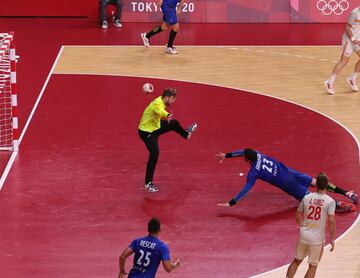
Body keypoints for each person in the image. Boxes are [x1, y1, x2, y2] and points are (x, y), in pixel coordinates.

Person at [216, 148, 358, 211]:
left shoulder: (253, 173)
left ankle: (337, 204)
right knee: (318, 183)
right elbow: (244, 151)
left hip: (287, 183)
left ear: (247, 160)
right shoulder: (259, 154)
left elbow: (247, 188)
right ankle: (348, 193)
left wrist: (232, 202)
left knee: (309, 200)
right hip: (291, 172)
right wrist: (227, 155)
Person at [138, 88, 197, 192]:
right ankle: (148, 183)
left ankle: (186, 134)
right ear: (168, 97)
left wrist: (168, 117)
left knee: (173, 123)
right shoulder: (157, 103)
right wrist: (167, 115)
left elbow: (160, 111)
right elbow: (160, 111)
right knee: (154, 153)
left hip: (155, 127)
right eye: (173, 99)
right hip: (146, 132)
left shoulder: (160, 101)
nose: (173, 101)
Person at [286, 173, 336, 278]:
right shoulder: (330, 201)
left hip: (304, 236)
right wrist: (332, 238)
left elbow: (297, 214)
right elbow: (331, 220)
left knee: (296, 261)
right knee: (313, 266)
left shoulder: (307, 198)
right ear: (327, 185)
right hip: (317, 239)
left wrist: (302, 226)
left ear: (316, 185)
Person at [324, 6, 360, 95]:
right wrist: (353, 39)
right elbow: (347, 27)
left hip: (358, 39)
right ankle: (329, 82)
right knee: (344, 61)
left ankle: (352, 78)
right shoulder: (355, 13)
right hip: (349, 40)